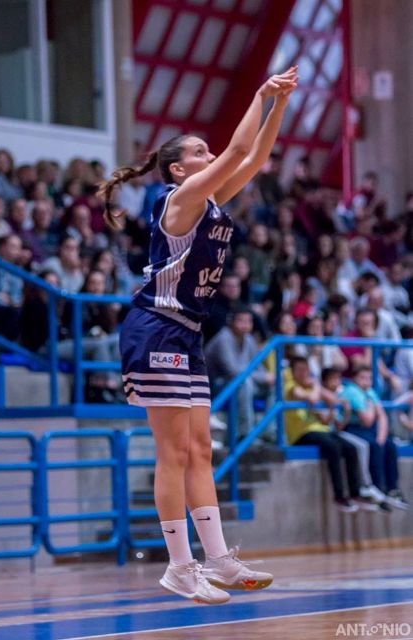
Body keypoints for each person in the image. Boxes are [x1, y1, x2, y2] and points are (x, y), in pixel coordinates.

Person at [98, 66, 298, 604]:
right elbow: (237, 152)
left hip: (186, 333)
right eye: (199, 152)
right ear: (176, 167)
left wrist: (277, 106)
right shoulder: (178, 199)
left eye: (207, 152)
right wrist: (259, 92)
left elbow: (253, 159)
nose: (210, 157)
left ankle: (219, 559)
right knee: (173, 454)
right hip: (155, 328)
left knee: (201, 451)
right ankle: (180, 567)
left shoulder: (208, 200)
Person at [284, 357, 362, 513]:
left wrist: (337, 410)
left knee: (351, 448)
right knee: (334, 448)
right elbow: (313, 398)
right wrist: (316, 385)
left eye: (306, 369)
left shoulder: (310, 387)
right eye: (300, 369)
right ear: (292, 372)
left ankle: (355, 493)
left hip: (320, 430)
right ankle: (339, 496)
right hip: (301, 434)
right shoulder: (291, 387)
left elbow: (330, 408)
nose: (304, 373)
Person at [339, 366, 409, 510]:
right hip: (351, 428)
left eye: (369, 378)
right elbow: (368, 420)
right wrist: (372, 407)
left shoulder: (369, 392)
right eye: (362, 378)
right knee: (373, 445)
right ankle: (376, 487)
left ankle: (392, 489)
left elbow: (382, 416)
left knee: (389, 445)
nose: (367, 382)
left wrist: (382, 435)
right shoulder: (352, 392)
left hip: (368, 430)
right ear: (353, 379)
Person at [205, 306, 274, 440]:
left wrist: (268, 377)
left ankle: (268, 432)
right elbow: (232, 371)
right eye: (241, 321)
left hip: (237, 383)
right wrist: (262, 377)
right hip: (215, 387)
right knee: (245, 383)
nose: (245, 325)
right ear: (231, 322)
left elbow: (257, 365)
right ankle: (244, 434)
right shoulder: (223, 338)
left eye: (248, 321)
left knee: (275, 385)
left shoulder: (248, 339)